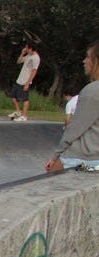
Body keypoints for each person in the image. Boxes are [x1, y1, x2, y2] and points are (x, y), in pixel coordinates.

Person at [46, 41, 99, 172]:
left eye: (87, 57)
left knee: (50, 180)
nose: (84, 61)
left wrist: (55, 156)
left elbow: (75, 129)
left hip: (84, 156)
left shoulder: (92, 91)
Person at [8, 42, 41, 122]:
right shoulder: (29, 55)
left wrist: (28, 83)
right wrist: (22, 53)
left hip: (25, 81)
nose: (25, 49)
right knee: (13, 96)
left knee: (25, 99)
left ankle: (24, 116)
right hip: (20, 79)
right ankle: (18, 111)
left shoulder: (36, 58)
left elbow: (34, 71)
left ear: (30, 49)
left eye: (27, 48)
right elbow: (18, 61)